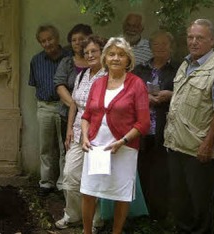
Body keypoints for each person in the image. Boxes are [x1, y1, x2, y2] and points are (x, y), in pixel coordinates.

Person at [79, 37, 150, 234]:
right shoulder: (98, 83)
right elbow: (86, 116)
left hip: (123, 147)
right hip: (96, 146)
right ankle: (87, 232)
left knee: (120, 193)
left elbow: (143, 123)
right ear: (105, 58)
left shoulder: (136, 84)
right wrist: (85, 137)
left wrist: (123, 141)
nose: (116, 58)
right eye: (111, 54)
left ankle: (116, 232)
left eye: (121, 54)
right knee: (89, 191)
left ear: (128, 59)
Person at [164, 19, 214, 234]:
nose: (193, 42)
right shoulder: (186, 63)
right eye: (190, 37)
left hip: (199, 149)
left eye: (199, 38)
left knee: (201, 206)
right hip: (176, 145)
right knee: (181, 202)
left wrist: (208, 144)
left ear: (211, 40)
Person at [55, 35, 107, 229]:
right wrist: (69, 129)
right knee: (70, 174)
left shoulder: (109, 77)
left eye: (94, 51)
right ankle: (73, 214)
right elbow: (74, 104)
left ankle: (95, 219)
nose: (90, 55)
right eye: (87, 52)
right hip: (77, 132)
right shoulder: (82, 75)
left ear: (103, 53)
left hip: (100, 134)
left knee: (97, 178)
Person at [131, 30, 179, 221]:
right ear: (150, 47)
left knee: (160, 172)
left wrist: (170, 95)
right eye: (156, 45)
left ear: (171, 47)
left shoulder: (177, 69)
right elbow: (130, 92)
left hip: (164, 128)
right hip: (141, 129)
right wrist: (145, 97)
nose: (159, 48)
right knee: (141, 169)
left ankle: (159, 214)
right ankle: (141, 212)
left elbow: (183, 94)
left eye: (164, 44)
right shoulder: (140, 69)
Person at [28, 24, 69, 196]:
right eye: (43, 41)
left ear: (57, 38)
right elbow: (35, 83)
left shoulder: (69, 57)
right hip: (44, 106)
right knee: (46, 146)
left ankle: (62, 183)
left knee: (64, 146)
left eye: (50, 39)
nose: (47, 43)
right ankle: (46, 182)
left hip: (64, 106)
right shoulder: (36, 60)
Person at [53, 23, 93, 192]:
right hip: (68, 115)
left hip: (94, 116)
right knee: (69, 150)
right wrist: (73, 105)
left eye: (81, 39)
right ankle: (67, 188)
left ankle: (87, 190)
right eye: (74, 40)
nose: (77, 43)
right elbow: (59, 84)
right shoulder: (67, 62)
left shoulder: (96, 61)